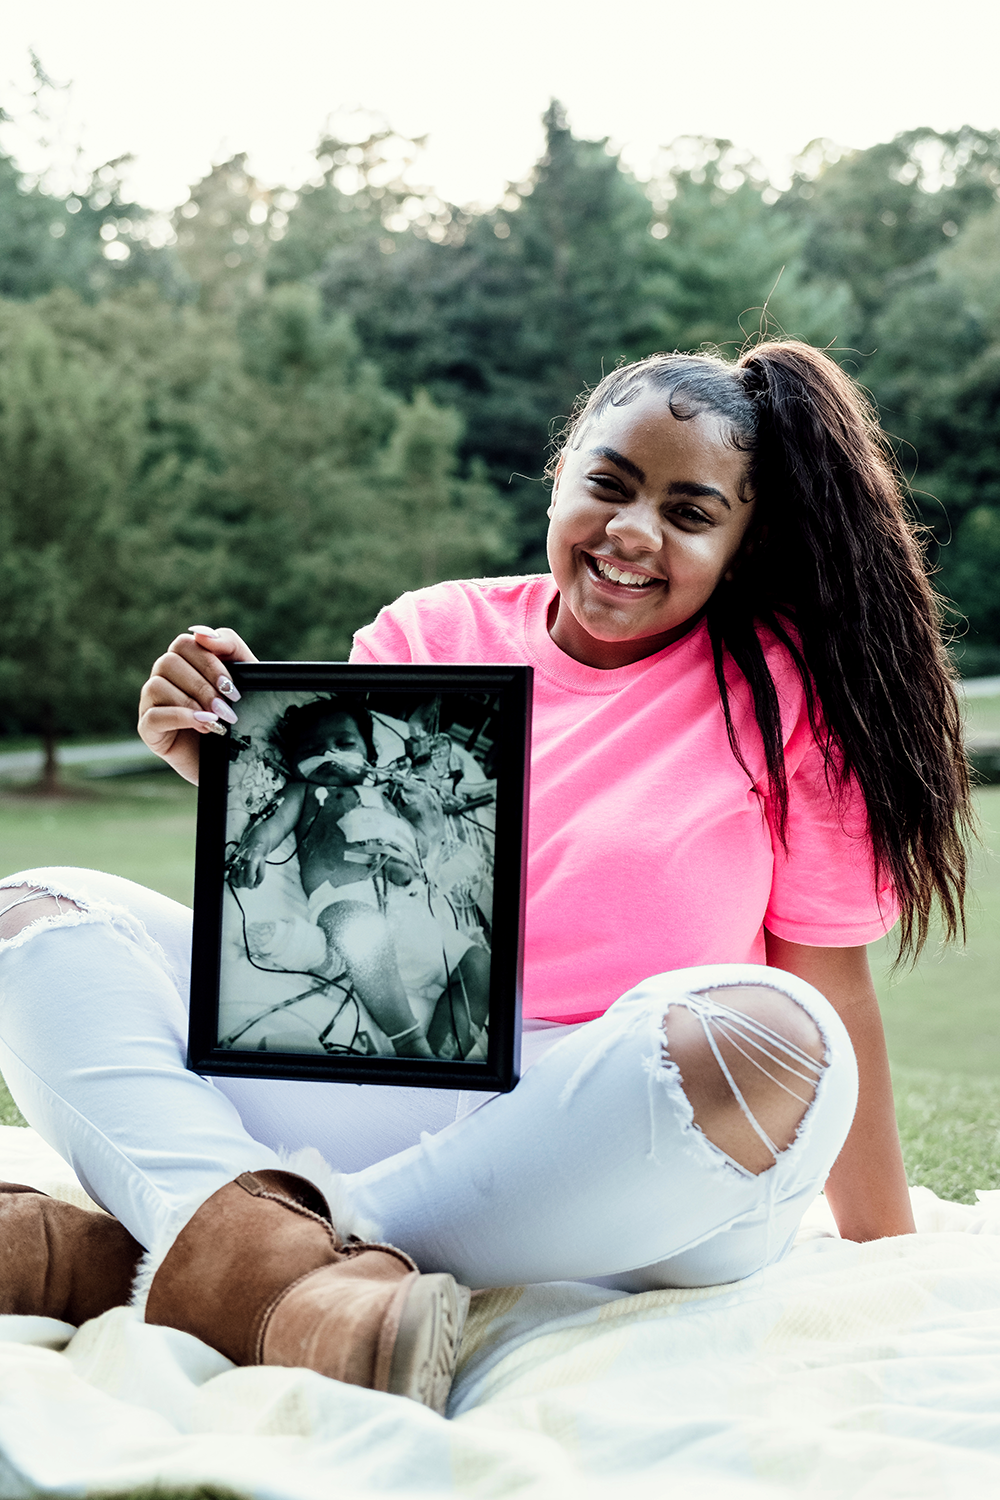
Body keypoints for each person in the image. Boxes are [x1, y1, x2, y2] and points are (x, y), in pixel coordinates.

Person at [0, 341, 971, 1416]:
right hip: (405, 1081)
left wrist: (887, 1255)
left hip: (615, 1143)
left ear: (739, 547)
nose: (633, 530)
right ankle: (277, 1275)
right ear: (560, 474)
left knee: (780, 1034)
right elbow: (342, 934)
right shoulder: (430, 632)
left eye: (691, 513)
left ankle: (168, 1249)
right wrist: (232, 774)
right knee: (34, 912)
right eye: (609, 483)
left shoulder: (789, 696)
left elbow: (831, 985)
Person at [226, 696, 488, 1062]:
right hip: (346, 900)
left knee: (479, 964)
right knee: (362, 932)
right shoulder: (305, 793)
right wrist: (253, 849)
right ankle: (410, 1043)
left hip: (409, 914)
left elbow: (419, 854)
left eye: (344, 744)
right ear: (295, 762)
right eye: (313, 749)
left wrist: (413, 849)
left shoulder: (388, 796)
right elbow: (271, 825)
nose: (330, 754)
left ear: (370, 753)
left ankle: (445, 1060)